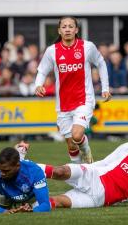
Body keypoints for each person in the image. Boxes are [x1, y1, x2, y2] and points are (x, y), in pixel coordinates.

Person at [35, 16, 111, 164]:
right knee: (71, 144)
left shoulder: (87, 47)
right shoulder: (52, 51)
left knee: (77, 136)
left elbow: (101, 63)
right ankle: (78, 174)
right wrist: (38, 85)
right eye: (64, 26)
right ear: (59, 30)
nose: (67, 29)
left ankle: (87, 152)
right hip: (63, 104)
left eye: (71, 26)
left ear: (76, 30)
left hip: (84, 99)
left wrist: (105, 88)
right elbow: (42, 71)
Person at [38, 129, 128, 209]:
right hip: (93, 176)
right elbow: (104, 163)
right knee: (59, 172)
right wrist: (84, 168)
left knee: (57, 202)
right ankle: (23, 165)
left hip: (100, 199)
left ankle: (27, 207)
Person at [0, 146, 51, 213]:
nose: (2, 174)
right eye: (0, 170)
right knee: (1, 206)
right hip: (6, 197)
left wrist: (32, 211)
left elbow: (45, 205)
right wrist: (4, 212)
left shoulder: (35, 171)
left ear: (17, 166)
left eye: (6, 171)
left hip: (31, 198)